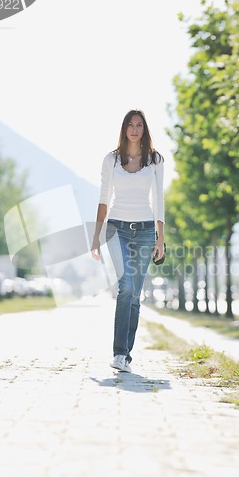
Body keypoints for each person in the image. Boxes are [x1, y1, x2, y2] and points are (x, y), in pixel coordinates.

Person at [91, 109, 165, 373]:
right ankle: (119, 353)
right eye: (130, 125)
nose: (135, 129)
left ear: (144, 130)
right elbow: (103, 198)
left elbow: (159, 199)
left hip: (146, 231)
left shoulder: (155, 160)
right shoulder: (111, 160)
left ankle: (126, 354)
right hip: (116, 229)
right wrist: (96, 237)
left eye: (139, 125)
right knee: (125, 287)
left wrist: (160, 238)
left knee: (134, 294)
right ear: (124, 129)